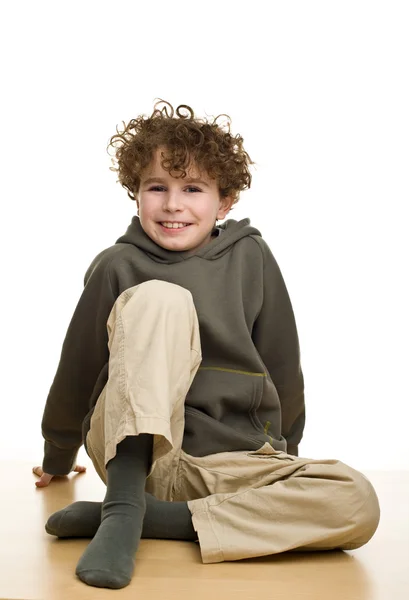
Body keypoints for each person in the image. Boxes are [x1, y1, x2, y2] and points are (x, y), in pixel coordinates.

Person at [33, 99, 380, 590]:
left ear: (224, 202)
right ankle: (126, 504)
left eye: (192, 189)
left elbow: (282, 361)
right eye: (158, 188)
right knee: (160, 299)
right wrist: (57, 456)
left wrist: (288, 456)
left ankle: (161, 520)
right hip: (143, 457)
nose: (173, 204)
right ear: (136, 194)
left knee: (356, 501)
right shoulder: (118, 266)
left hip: (228, 467)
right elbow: (78, 367)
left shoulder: (252, 258)